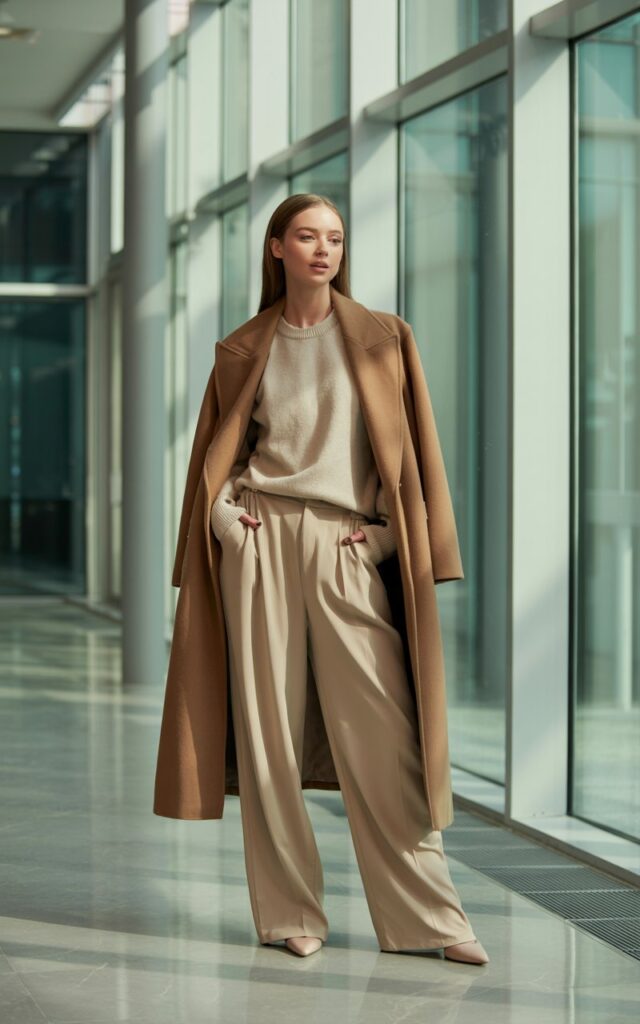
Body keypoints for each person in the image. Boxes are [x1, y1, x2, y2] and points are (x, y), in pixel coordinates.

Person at [205, 193, 489, 963]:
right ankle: (289, 913)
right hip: (262, 542)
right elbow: (220, 453)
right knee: (266, 736)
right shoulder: (243, 347)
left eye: (334, 237)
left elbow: (415, 455)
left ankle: (429, 920)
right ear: (276, 248)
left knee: (385, 734)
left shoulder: (382, 337)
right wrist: (226, 520)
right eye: (306, 236)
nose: (323, 250)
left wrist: (393, 537)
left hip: (345, 544)